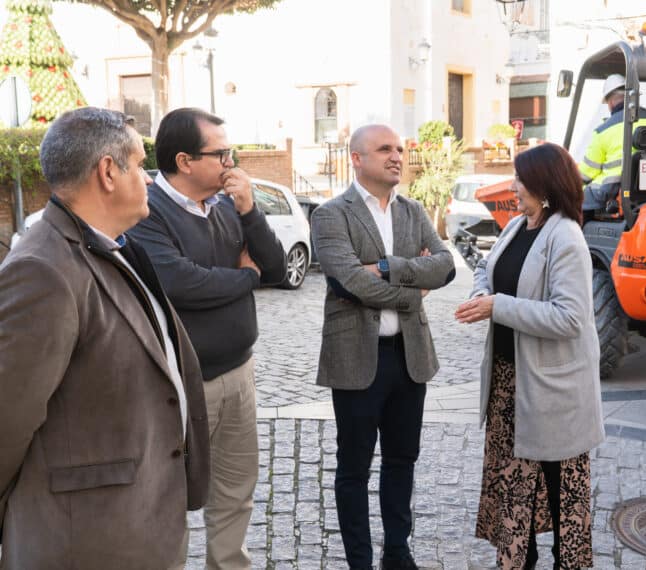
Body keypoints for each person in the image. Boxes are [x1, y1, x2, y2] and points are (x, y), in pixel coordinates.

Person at [0, 107, 210, 568]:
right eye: (139, 164)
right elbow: (7, 420)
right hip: (86, 540)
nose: (149, 178)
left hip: (137, 524)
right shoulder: (43, 269)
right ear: (108, 172)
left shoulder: (114, 246)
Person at [128, 107, 286, 569]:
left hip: (239, 372)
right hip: (181, 384)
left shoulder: (227, 205)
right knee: (170, 495)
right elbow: (180, 283)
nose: (231, 163)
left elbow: (276, 268)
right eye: (221, 154)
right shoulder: (148, 210)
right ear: (185, 161)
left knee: (236, 490)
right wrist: (245, 277)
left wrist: (251, 211)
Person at [311, 124, 455, 570]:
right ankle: (360, 561)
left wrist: (388, 267)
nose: (397, 156)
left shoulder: (412, 211)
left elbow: (446, 267)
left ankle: (397, 552)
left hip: (409, 357)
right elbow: (351, 282)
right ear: (357, 158)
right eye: (384, 149)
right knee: (353, 468)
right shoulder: (331, 215)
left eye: (400, 149)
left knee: (402, 459)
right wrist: (415, 289)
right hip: (357, 358)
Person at [455, 143, 605, 569]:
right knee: (514, 486)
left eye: (520, 179)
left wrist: (497, 306)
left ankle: (565, 563)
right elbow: (486, 269)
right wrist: (482, 294)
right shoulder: (517, 225)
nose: (514, 187)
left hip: (554, 390)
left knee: (560, 492)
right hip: (510, 382)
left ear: (543, 184)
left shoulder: (566, 236)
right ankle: (520, 559)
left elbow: (570, 317)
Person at [579, 73, 646, 219]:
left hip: (615, 195)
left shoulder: (603, 131)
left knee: (575, 197)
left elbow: (585, 174)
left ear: (610, 102)